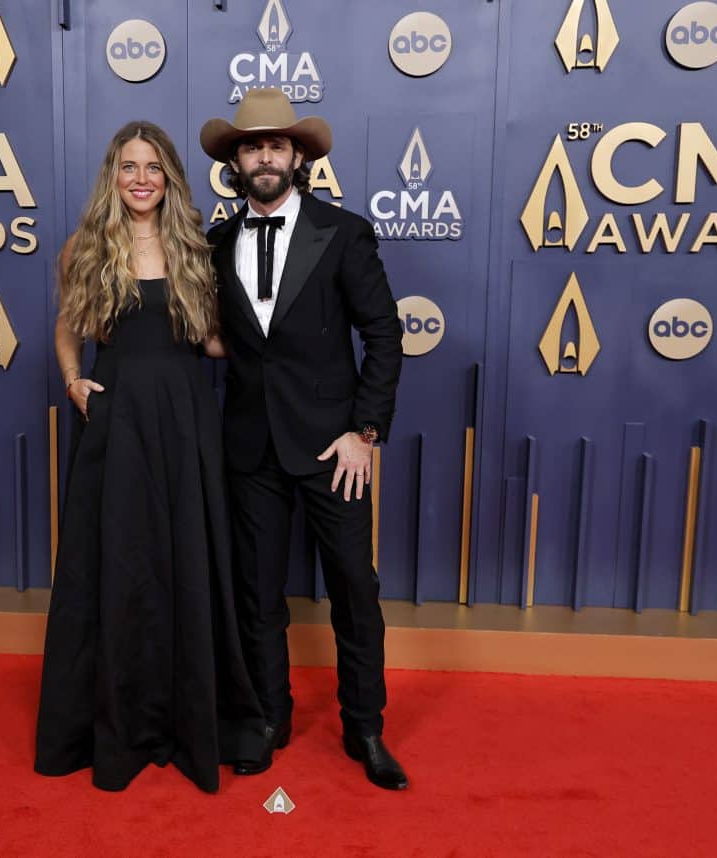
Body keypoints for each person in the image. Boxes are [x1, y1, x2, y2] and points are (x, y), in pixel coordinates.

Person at [34, 121, 265, 793]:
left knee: (185, 562)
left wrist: (281, 341)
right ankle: (120, 721)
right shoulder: (85, 246)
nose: (142, 178)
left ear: (169, 179)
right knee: (119, 567)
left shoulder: (194, 245)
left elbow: (216, 345)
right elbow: (67, 324)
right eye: (130, 166)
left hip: (189, 421)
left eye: (154, 167)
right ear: (114, 174)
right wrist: (74, 380)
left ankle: (188, 720)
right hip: (119, 424)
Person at [199, 89, 408, 790]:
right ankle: (265, 719)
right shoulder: (216, 243)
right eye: (252, 146)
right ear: (235, 160)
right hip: (250, 449)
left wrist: (364, 431)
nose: (264, 156)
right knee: (257, 597)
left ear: (297, 157)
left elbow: (383, 334)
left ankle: (366, 727)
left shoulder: (342, 232)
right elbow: (212, 336)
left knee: (354, 590)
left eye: (276, 145)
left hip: (332, 451)